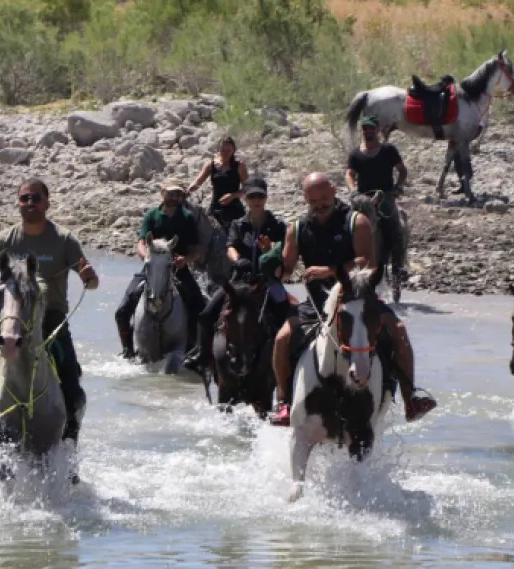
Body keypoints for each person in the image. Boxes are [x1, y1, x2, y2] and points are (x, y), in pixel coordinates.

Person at [0, 178, 99, 462]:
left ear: (47, 203)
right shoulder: (6, 239)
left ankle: (68, 456)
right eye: (24, 199)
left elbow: (88, 278)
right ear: (18, 203)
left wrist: (90, 278)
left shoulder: (63, 239)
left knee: (74, 389)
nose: (30, 203)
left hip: (51, 319)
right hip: (8, 317)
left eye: (36, 198)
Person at [270, 173, 437, 427]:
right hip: (317, 303)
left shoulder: (355, 221)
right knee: (282, 337)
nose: (320, 204)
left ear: (334, 191)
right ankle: (283, 402)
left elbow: (367, 261)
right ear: (305, 198)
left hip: (358, 300)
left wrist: (329, 270)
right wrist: (271, 261)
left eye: (324, 198)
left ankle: (410, 397)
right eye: (313, 200)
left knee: (397, 329)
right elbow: (288, 268)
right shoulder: (296, 228)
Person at [183, 176, 288, 374]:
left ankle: (291, 355)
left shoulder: (278, 225)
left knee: (287, 311)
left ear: (265, 198)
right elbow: (230, 246)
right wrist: (237, 259)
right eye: (252, 196)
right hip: (240, 281)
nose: (256, 200)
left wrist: (270, 249)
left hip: (267, 281)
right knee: (206, 315)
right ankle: (202, 354)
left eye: (260, 196)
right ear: (245, 199)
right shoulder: (238, 225)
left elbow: (284, 249)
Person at [115, 179, 207, 359]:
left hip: (178, 269)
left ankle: (197, 352)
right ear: (162, 193)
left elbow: (196, 250)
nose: (174, 197)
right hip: (151, 267)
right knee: (122, 310)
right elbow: (141, 242)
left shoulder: (187, 217)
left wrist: (185, 259)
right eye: (171, 193)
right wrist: (145, 255)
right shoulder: (151, 215)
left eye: (178, 194)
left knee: (200, 307)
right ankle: (127, 350)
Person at [345, 115, 408, 275]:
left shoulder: (388, 150)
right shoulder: (355, 154)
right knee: (346, 226)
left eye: (371, 128)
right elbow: (349, 174)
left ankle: (398, 265)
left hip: (385, 195)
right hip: (363, 197)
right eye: (365, 128)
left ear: (378, 130)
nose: (368, 131)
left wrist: (398, 186)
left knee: (396, 227)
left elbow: (402, 170)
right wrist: (353, 191)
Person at [187, 136, 250, 233]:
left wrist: (232, 196)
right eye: (223, 149)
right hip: (215, 207)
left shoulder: (239, 166)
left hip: (234, 208)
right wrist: (188, 190)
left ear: (233, 150)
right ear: (218, 149)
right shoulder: (211, 165)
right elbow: (197, 182)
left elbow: (247, 188)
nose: (225, 153)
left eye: (229, 150)